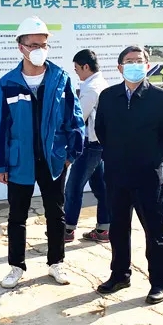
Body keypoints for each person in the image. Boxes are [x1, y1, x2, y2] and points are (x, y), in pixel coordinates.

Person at [0, 16, 85, 289]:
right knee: (17, 216)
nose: (39, 49)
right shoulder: (8, 82)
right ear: (20, 47)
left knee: (56, 213)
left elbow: (74, 118)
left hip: (53, 159)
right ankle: (16, 266)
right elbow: (0, 126)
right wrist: (1, 164)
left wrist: (71, 153)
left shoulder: (60, 78)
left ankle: (56, 262)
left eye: (43, 44)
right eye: (33, 44)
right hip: (19, 161)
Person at [94, 46, 163, 305]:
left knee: (155, 230)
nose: (134, 65)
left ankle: (159, 282)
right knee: (118, 228)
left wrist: (152, 158)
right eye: (129, 61)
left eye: (139, 61)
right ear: (119, 67)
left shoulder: (160, 98)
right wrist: (115, 156)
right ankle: (120, 275)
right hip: (116, 175)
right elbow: (101, 130)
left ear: (147, 66)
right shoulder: (108, 97)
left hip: (148, 176)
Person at [63, 49, 111, 243]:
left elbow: (79, 117)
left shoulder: (92, 88)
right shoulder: (99, 83)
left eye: (77, 68)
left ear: (85, 66)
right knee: (101, 187)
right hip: (98, 145)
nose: (76, 72)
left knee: (73, 187)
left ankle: (67, 229)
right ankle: (104, 229)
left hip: (90, 145)